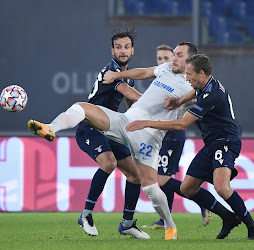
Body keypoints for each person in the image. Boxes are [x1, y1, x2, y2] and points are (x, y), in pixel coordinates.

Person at [28, 42, 239, 240]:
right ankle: (51, 128)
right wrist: (117, 74)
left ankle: (169, 224)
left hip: (148, 136)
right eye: (173, 54)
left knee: (150, 186)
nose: (173, 58)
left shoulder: (195, 90)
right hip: (126, 121)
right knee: (81, 107)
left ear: (190, 61)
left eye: (179, 55)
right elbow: (144, 72)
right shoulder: (166, 68)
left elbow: (201, 110)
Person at [126, 54, 254, 240]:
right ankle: (228, 218)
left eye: (189, 74)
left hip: (225, 142)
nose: (186, 78)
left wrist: (146, 123)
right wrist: (179, 101)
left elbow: (181, 124)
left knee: (222, 188)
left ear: (201, 73)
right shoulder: (206, 84)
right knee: (187, 188)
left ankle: (253, 228)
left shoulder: (211, 96)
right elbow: (195, 92)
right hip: (212, 144)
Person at [74, 28, 149, 239]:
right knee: (109, 163)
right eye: (118, 47)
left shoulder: (125, 75)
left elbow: (130, 102)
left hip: (109, 129)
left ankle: (127, 223)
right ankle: (86, 215)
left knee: (135, 176)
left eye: (126, 47)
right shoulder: (112, 72)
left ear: (132, 50)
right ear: (112, 51)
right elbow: (128, 92)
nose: (122, 51)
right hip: (89, 127)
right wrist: (156, 103)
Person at [141, 44, 212, 230]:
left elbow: (197, 99)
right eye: (159, 59)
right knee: (164, 177)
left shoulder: (185, 82)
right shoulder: (162, 79)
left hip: (173, 133)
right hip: (162, 133)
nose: (164, 62)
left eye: (167, 58)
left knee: (163, 179)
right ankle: (164, 219)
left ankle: (202, 199)